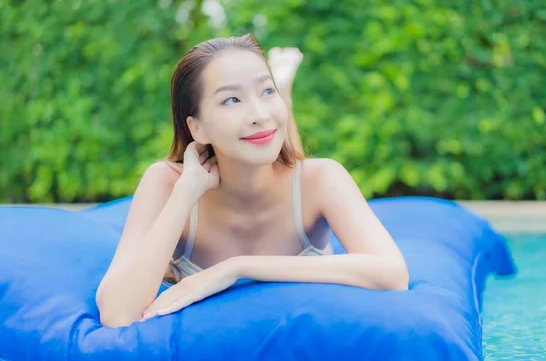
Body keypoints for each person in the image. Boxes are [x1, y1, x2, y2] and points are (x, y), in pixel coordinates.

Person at [95, 34, 409, 328]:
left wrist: (236, 268)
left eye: (266, 91)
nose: (259, 112)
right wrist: (185, 193)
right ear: (197, 128)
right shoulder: (166, 182)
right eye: (231, 100)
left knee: (282, 147)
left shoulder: (321, 179)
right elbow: (117, 314)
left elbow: (393, 274)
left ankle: (284, 90)